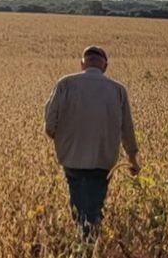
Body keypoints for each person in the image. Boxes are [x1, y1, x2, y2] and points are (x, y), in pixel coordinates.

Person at [44, 45, 140, 240]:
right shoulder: (118, 90)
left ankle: (82, 239)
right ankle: (90, 239)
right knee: (95, 202)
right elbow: (127, 128)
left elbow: (49, 124)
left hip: (71, 157)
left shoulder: (65, 84)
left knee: (78, 198)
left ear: (82, 64)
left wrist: (64, 140)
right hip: (103, 158)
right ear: (105, 66)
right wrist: (132, 158)